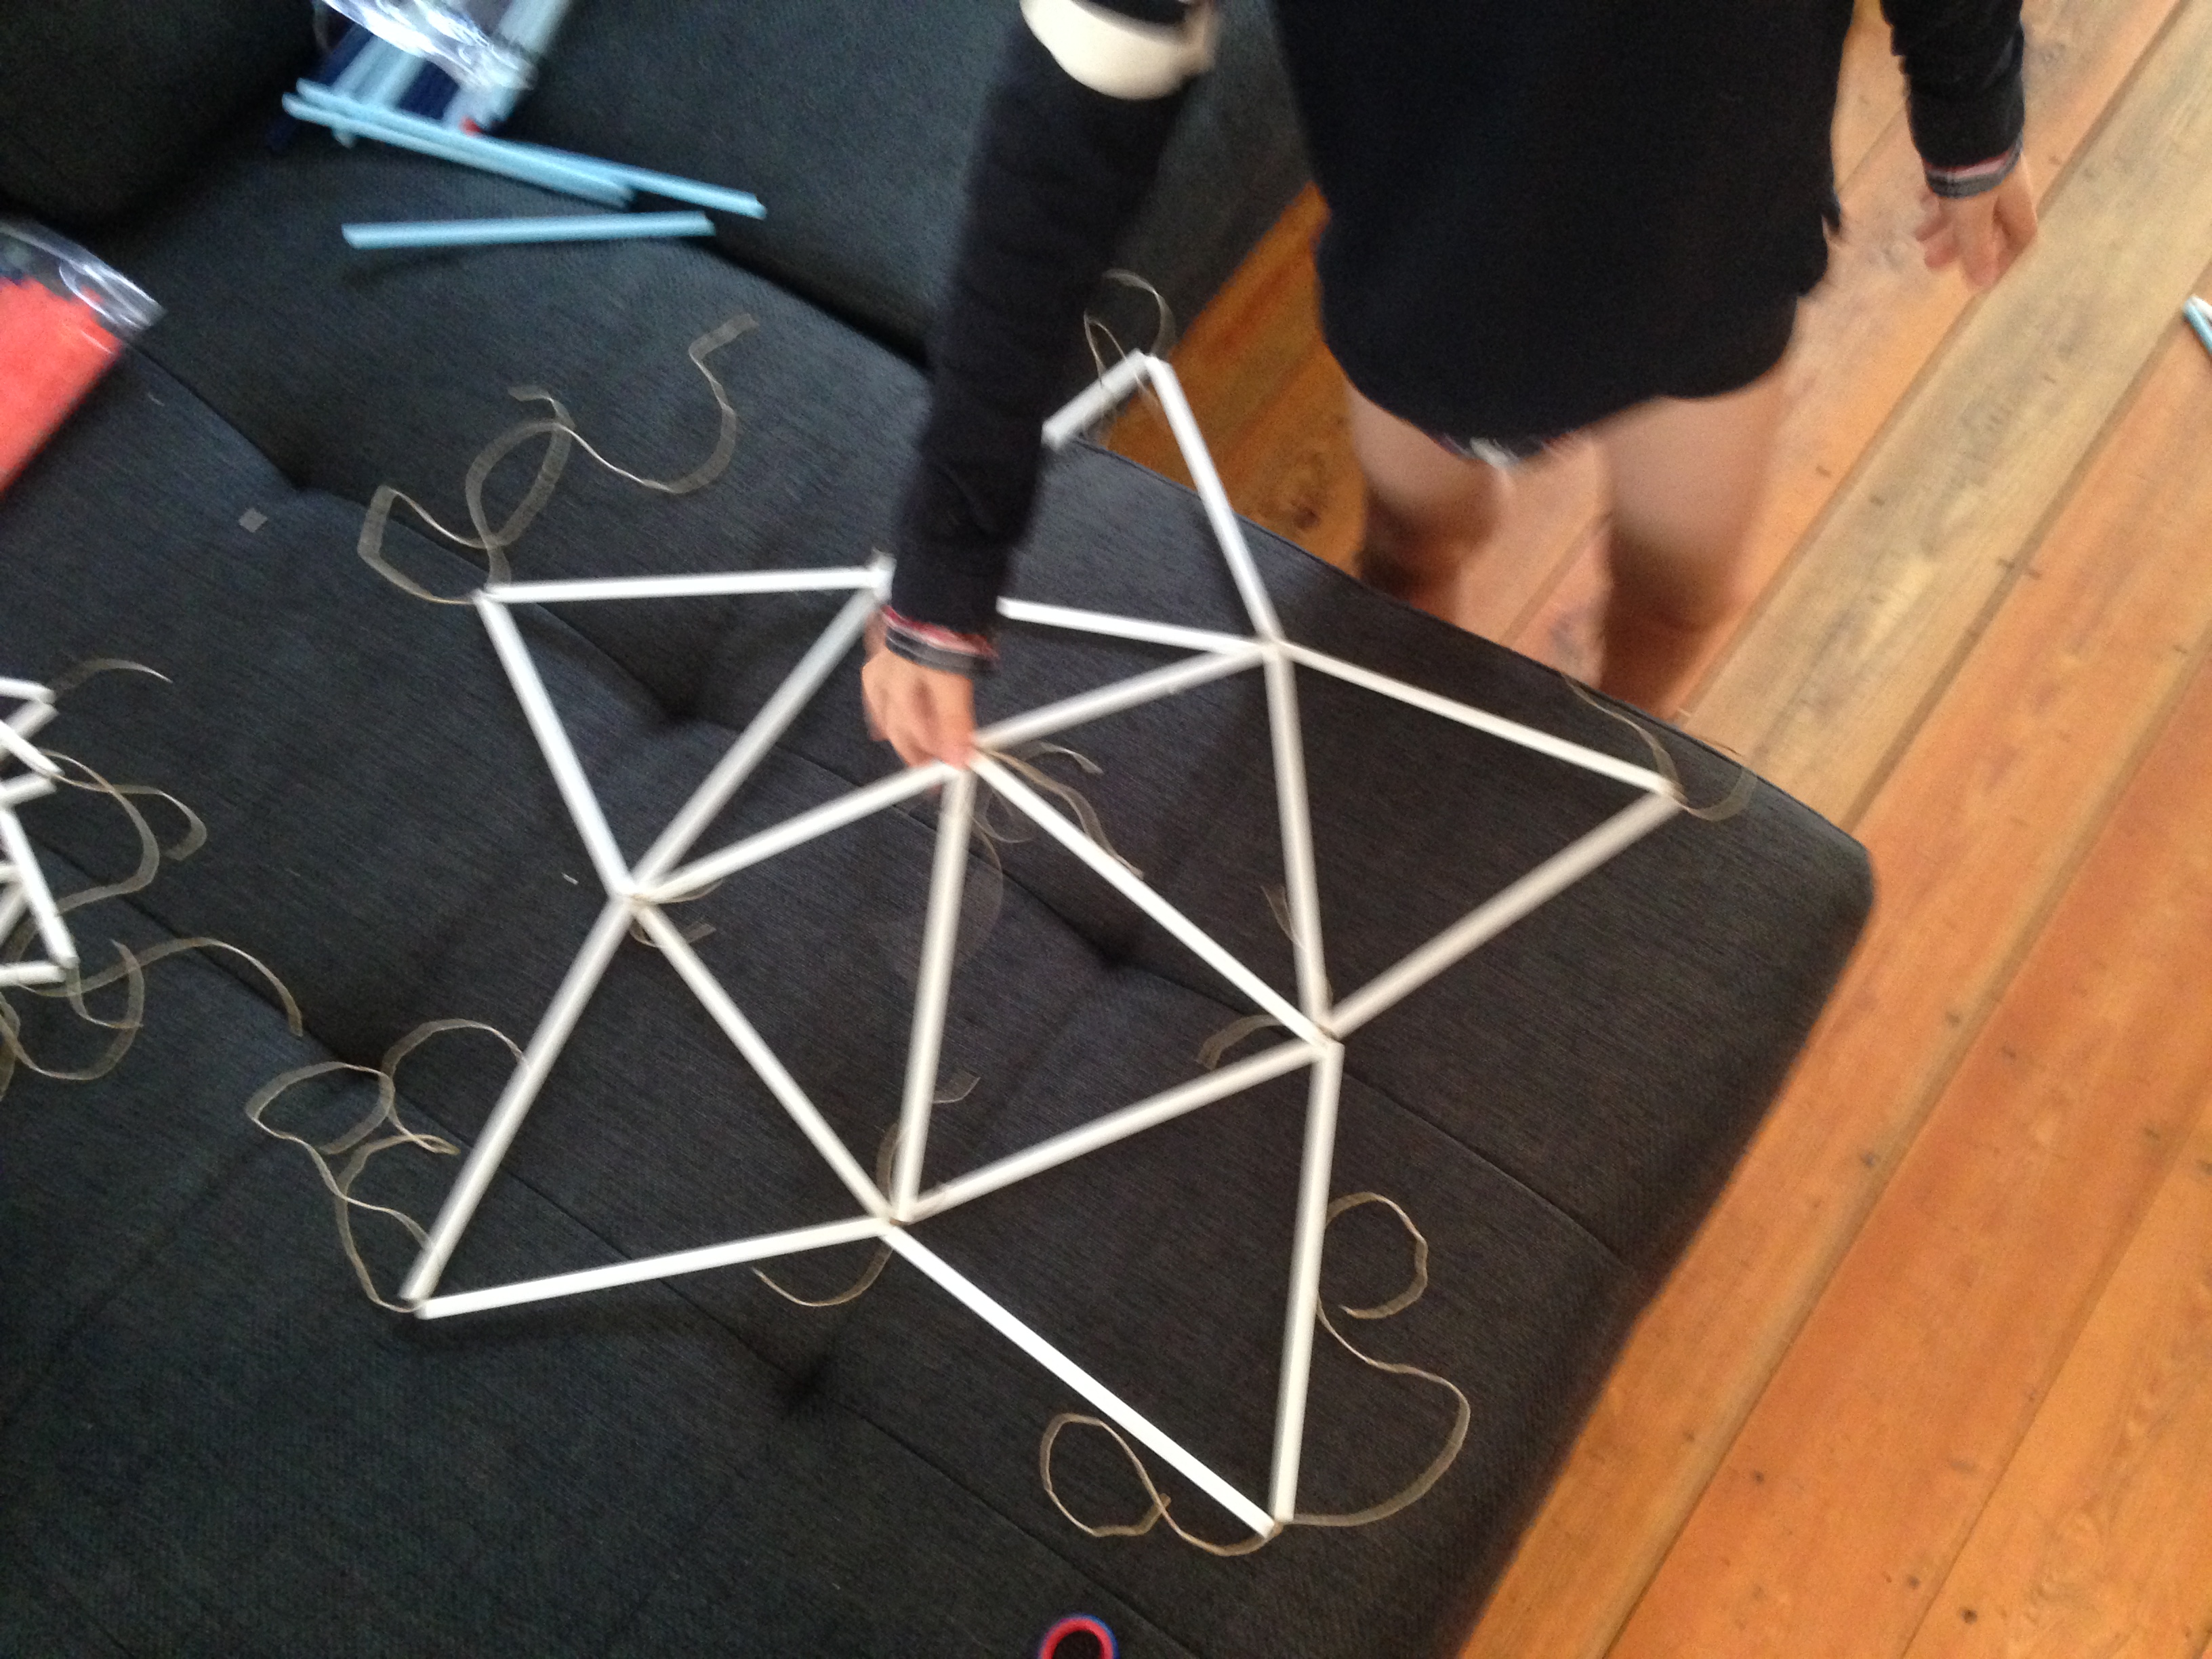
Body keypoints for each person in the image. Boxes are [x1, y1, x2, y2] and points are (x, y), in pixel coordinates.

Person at [863, 0, 2039, 766]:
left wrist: (1971, 110)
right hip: (1444, 289)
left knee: (1681, 595)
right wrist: (951, 547)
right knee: (1414, 546)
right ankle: (1417, 752)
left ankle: (1617, 746)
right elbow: (1060, 148)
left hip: (1710, 259)